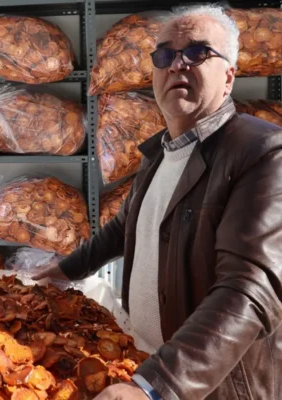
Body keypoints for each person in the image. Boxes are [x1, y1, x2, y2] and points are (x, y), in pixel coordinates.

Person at [34, 5, 282, 400]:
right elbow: (126, 226)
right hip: (148, 365)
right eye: (165, 55)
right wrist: (64, 270)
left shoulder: (263, 152)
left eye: (198, 52)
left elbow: (248, 290)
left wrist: (156, 385)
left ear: (229, 76)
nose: (177, 64)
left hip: (208, 387)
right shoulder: (160, 153)